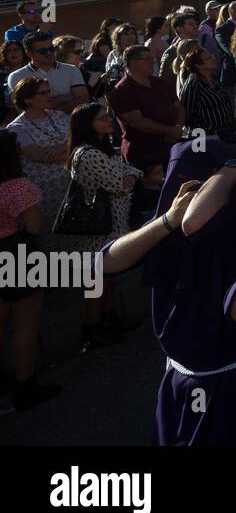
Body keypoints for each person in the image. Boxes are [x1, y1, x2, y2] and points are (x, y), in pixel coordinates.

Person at [67, 102, 143, 341]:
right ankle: (93, 327)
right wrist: (129, 176)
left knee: (106, 276)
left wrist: (129, 175)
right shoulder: (89, 154)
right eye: (101, 118)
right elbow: (121, 183)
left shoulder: (103, 149)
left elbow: (134, 171)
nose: (108, 121)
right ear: (87, 125)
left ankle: (108, 319)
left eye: (107, 116)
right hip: (99, 225)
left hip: (113, 222)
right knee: (97, 280)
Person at [0, 131, 60, 412]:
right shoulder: (18, 187)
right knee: (25, 324)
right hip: (15, 253)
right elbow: (34, 226)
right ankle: (25, 386)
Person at [5, 76, 70, 233]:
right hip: (43, 190)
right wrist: (74, 151)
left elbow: (82, 139)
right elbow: (39, 156)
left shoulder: (59, 116)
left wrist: (62, 147)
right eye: (43, 93)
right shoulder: (16, 128)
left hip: (70, 184)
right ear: (27, 99)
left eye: (49, 91)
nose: (49, 96)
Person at [108, 44, 184, 168]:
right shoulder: (122, 90)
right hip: (144, 153)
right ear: (133, 63)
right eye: (148, 59)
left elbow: (179, 106)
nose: (153, 62)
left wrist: (177, 128)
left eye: (152, 58)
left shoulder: (160, 82)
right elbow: (138, 122)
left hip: (170, 147)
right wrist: (169, 131)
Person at [7, 31, 88, 114]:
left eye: (51, 49)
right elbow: (24, 110)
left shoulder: (72, 70)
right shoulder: (17, 76)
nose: (49, 53)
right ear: (29, 53)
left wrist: (44, 107)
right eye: (43, 51)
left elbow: (83, 100)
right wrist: (62, 99)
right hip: (37, 126)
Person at [178, 47, 236, 143]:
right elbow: (188, 115)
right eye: (209, 58)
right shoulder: (193, 83)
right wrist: (209, 131)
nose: (213, 58)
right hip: (206, 138)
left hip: (227, 132)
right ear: (198, 65)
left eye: (212, 56)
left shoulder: (213, 79)